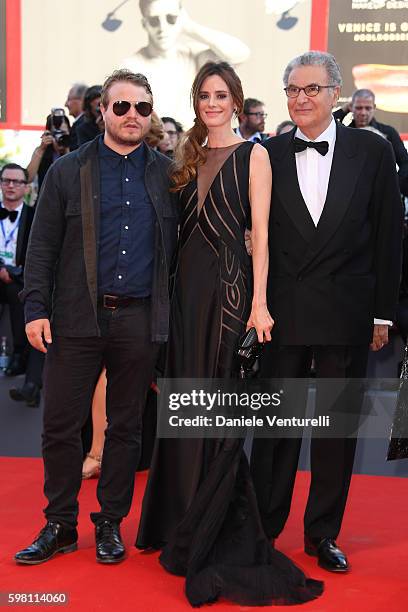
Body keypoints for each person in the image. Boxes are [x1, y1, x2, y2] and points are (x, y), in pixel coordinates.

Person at [136, 60, 323, 607]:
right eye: (204, 95)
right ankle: (177, 520)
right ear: (196, 102)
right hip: (185, 294)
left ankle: (211, 526)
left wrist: (260, 305)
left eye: (221, 95)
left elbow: (261, 235)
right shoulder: (184, 156)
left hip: (230, 295)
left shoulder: (256, 154)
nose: (212, 103)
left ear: (237, 101)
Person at [14, 68, 178, 566]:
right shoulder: (69, 170)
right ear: (102, 110)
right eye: (122, 106)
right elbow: (41, 246)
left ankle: (110, 523)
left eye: (143, 108)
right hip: (76, 318)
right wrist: (35, 308)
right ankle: (59, 524)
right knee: (61, 426)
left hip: (139, 320)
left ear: (151, 116)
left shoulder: (169, 174)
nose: (133, 116)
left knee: (126, 428)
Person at [251, 51, 403, 573]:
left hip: (347, 308)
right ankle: (265, 528)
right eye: (292, 89)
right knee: (277, 429)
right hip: (283, 312)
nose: (300, 98)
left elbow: (387, 236)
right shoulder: (266, 153)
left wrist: (383, 314)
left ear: (335, 94)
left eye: (311, 89)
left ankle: (323, 533)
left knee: (337, 430)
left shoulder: (373, 150)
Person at [122, 0, 250, 125]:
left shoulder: (194, 55)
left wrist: (190, 27)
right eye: (154, 20)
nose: (163, 27)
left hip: (197, 142)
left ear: (181, 19)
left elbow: (239, 54)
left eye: (171, 18)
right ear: (145, 24)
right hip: (156, 142)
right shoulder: (132, 66)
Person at [334, 89, 408, 197]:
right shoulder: (343, 132)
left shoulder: (388, 132)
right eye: (359, 108)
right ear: (351, 108)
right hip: (352, 196)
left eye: (368, 108)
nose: (363, 113)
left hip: (383, 196)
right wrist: (343, 110)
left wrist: (394, 185)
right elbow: (326, 125)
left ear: (374, 108)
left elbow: (405, 162)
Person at [0, 164, 33, 377]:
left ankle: (19, 356)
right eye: (6, 180)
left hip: (19, 278)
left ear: (26, 187)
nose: (11, 185)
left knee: (19, 296)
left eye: (17, 181)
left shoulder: (34, 216)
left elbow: (38, 251)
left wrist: (12, 273)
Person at [65, 82, 88, 151]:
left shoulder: (82, 126)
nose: (65, 104)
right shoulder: (82, 123)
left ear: (81, 100)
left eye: (69, 99)